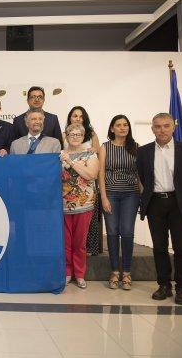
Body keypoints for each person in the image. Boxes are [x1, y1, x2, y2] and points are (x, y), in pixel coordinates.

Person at [137, 113, 182, 305]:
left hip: (179, 203)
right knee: (159, 247)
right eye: (157, 126)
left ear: (173, 127)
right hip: (155, 204)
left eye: (166, 126)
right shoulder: (144, 152)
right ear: (152, 129)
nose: (162, 130)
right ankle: (164, 285)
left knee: (181, 247)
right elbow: (143, 177)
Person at [99, 115, 140, 290]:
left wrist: (144, 196)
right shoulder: (105, 147)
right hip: (111, 194)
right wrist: (103, 197)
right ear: (112, 129)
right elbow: (100, 174)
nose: (123, 128)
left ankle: (127, 273)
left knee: (128, 232)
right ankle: (115, 271)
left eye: (125, 125)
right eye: (119, 125)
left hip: (131, 194)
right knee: (113, 232)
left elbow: (140, 174)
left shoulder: (136, 147)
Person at [60, 123, 99, 289]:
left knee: (79, 243)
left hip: (83, 205)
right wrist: (64, 159)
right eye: (72, 134)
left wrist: (71, 161)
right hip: (62, 205)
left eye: (78, 134)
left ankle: (80, 274)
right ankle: (68, 273)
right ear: (66, 136)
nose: (75, 137)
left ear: (83, 137)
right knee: (66, 242)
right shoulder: (59, 155)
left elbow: (91, 174)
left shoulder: (90, 155)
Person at [64, 106, 103, 256]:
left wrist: (90, 154)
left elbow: (97, 152)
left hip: (87, 184)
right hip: (68, 191)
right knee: (68, 238)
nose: (78, 118)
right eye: (75, 116)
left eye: (81, 116)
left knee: (87, 226)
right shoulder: (63, 134)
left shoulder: (91, 134)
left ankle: (90, 250)